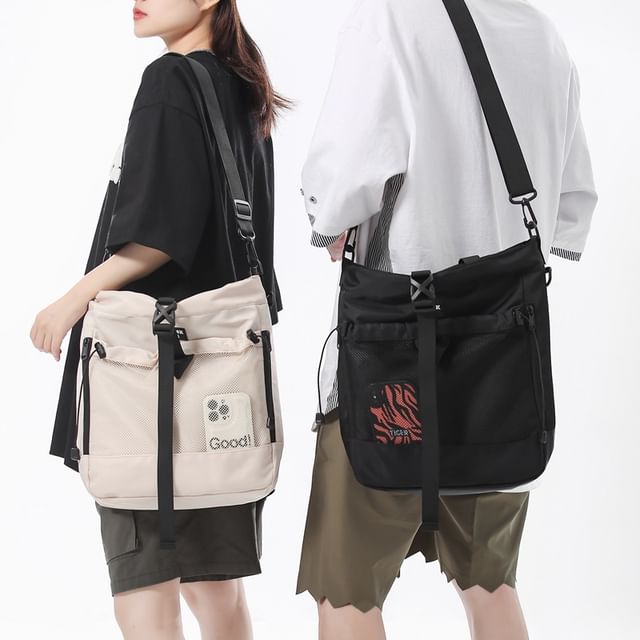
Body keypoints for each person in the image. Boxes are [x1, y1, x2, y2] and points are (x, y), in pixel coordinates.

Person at [296, 1, 597, 639]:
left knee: (347, 595)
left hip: (390, 360)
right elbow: (571, 202)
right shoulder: (541, 31)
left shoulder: (387, 17)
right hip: (499, 372)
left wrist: (329, 221)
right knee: (490, 587)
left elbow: (338, 189)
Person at [30, 1, 288, 638]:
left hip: (145, 378)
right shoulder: (241, 87)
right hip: (223, 381)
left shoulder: (170, 78)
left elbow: (158, 237)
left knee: (143, 591)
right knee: (216, 590)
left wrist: (72, 300)